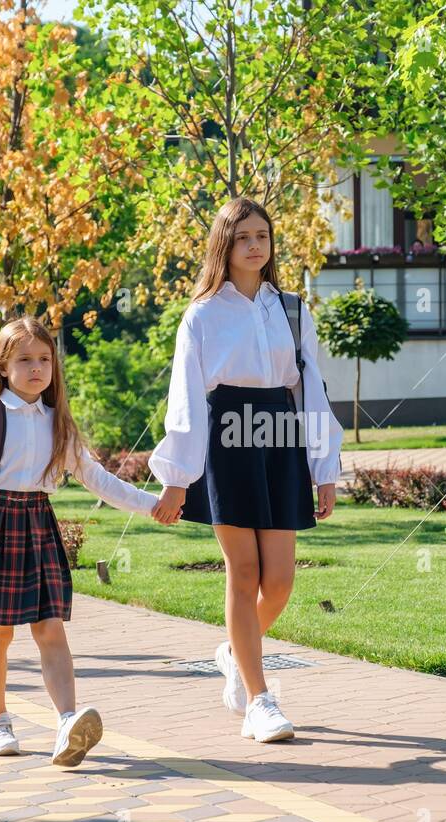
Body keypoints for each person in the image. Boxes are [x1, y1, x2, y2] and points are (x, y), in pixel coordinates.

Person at [148, 196, 344, 743]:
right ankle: (260, 700)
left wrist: (324, 467)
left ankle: (234, 652)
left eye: (262, 235)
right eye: (243, 237)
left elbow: (311, 390)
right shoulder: (203, 313)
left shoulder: (292, 309)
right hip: (226, 432)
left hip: (280, 433)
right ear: (224, 246)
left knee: (280, 580)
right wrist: (177, 476)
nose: (255, 245)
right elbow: (185, 396)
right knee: (245, 572)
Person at [0, 317, 169, 764]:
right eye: (24, 359)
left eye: (44, 359)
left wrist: (152, 504)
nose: (36, 368)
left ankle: (68, 722)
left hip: (37, 524)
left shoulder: (57, 422)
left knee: (51, 629)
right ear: (3, 367)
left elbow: (98, 480)